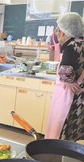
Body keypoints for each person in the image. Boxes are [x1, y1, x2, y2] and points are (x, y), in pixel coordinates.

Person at [45, 12, 84, 141]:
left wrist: (69, 82)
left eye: (58, 30)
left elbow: (64, 70)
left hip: (67, 96)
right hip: (79, 96)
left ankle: (56, 152)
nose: (57, 34)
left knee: (60, 124)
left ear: (63, 32)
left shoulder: (71, 47)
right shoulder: (81, 43)